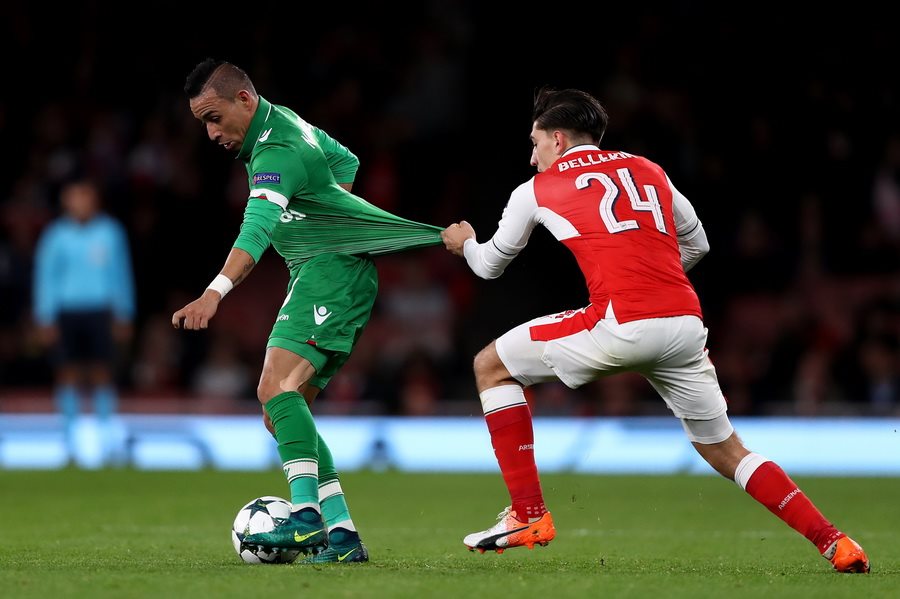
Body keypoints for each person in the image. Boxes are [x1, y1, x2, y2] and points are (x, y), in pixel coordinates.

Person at [441, 87, 870, 573]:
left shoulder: (535, 189)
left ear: (557, 140)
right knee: (726, 450)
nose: (532, 155)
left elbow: (489, 266)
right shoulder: (648, 169)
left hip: (620, 321)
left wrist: (466, 242)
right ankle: (836, 542)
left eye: (535, 143)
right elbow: (698, 243)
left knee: (491, 366)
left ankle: (528, 514)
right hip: (684, 322)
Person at [172, 59, 443, 563]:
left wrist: (214, 293)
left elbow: (255, 231)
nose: (211, 133)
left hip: (329, 273)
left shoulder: (276, 152)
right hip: (327, 269)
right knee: (282, 411)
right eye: (203, 123)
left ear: (244, 100)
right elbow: (345, 161)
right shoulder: (287, 122)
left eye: (214, 118)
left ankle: (304, 518)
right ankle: (341, 537)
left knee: (274, 388)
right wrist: (326, 217)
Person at [33, 179, 135, 466]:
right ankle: (69, 444)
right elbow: (46, 277)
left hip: (100, 310)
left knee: (102, 373)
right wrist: (45, 316)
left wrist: (124, 312)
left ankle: (106, 442)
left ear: (95, 200)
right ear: (66, 202)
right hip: (67, 312)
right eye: (75, 198)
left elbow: (120, 273)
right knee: (67, 374)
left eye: (85, 197)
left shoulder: (110, 232)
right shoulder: (56, 235)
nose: (80, 203)